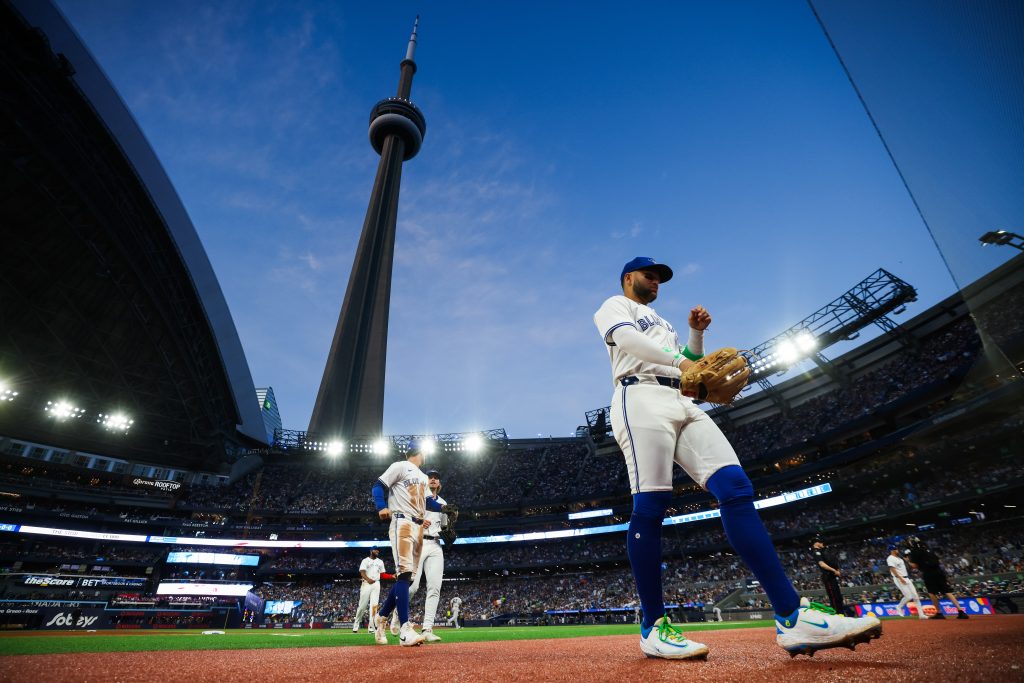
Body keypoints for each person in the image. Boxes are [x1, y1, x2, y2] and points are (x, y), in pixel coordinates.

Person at [593, 256, 882, 660]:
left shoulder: (665, 323)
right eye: (649, 275)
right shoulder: (614, 305)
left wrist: (695, 336)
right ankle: (653, 627)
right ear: (629, 278)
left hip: (681, 400)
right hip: (637, 396)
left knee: (735, 486)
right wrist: (682, 360)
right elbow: (629, 343)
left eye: (660, 277)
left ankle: (791, 617)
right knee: (652, 503)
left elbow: (692, 367)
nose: (656, 281)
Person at [370, 440, 447, 646]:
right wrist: (381, 506)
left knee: (407, 577)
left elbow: (427, 502)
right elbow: (378, 486)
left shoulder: (423, 477)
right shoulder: (399, 466)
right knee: (404, 574)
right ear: (420, 451)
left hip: (418, 526)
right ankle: (405, 630)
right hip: (402, 521)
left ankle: (382, 616)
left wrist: (444, 509)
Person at [390, 468, 451, 642]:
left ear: (439, 484)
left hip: (435, 545)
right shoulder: (416, 499)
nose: (433, 479)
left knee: (434, 587)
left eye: (436, 478)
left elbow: (445, 528)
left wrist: (449, 534)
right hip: (418, 541)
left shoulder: (444, 503)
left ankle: (427, 629)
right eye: (430, 477)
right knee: (412, 586)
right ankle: (398, 615)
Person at [906, 538, 969, 620]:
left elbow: (914, 566)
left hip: (929, 573)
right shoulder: (927, 549)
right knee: (947, 591)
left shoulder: (914, 551)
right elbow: (937, 560)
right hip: (939, 572)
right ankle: (961, 612)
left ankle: (939, 613)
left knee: (932, 593)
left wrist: (908, 561)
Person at [352, 547, 386, 633]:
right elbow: (362, 572)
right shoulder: (365, 560)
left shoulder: (380, 561)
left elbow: (382, 575)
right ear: (371, 551)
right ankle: (356, 624)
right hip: (366, 584)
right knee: (362, 606)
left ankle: (371, 627)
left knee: (374, 606)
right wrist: (368, 579)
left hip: (376, 584)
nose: (377, 551)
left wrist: (391, 576)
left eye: (378, 550)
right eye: (375, 550)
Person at [887, 546, 927, 619]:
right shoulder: (890, 558)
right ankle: (898, 607)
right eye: (895, 549)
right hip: (899, 578)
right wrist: (900, 578)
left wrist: (907, 561)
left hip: (906, 578)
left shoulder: (899, 558)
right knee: (909, 596)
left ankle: (921, 615)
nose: (897, 550)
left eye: (896, 548)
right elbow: (892, 569)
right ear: (892, 550)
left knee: (915, 596)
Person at [812, 540, 845, 615]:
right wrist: (834, 570)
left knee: (838, 596)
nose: (823, 543)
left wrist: (836, 569)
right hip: (828, 576)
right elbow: (822, 564)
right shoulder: (816, 552)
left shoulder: (823, 551)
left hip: (832, 576)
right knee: (834, 597)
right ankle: (837, 615)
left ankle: (841, 613)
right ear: (816, 543)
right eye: (821, 542)